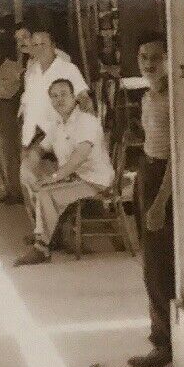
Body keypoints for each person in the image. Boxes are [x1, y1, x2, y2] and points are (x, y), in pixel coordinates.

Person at [14, 78, 116, 266]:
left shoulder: (87, 121)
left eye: (63, 95)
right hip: (74, 178)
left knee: (46, 192)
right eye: (54, 96)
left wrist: (54, 178)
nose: (59, 100)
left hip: (94, 180)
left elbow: (79, 156)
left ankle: (42, 248)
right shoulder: (58, 125)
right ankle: (50, 233)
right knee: (34, 180)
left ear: (73, 97)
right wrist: (30, 163)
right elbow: (41, 148)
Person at [129, 31, 175, 367]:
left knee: (160, 265)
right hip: (147, 172)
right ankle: (161, 337)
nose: (149, 64)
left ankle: (166, 343)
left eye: (155, 58)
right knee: (151, 263)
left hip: (164, 180)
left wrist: (160, 201)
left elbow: (176, 154)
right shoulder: (148, 96)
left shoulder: (175, 98)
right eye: (144, 58)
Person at [19, 29, 91, 203]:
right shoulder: (31, 71)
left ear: (53, 46)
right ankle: (43, 225)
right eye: (35, 45)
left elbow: (85, 101)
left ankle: (52, 224)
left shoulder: (67, 68)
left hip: (58, 134)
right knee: (30, 181)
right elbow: (28, 104)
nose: (39, 48)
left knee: (56, 185)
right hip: (31, 135)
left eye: (43, 44)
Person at [0, 34, 24, 205]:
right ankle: (7, 188)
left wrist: (12, 104)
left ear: (2, 50)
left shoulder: (13, 67)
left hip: (8, 109)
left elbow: (20, 88)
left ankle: (16, 191)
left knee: (10, 151)